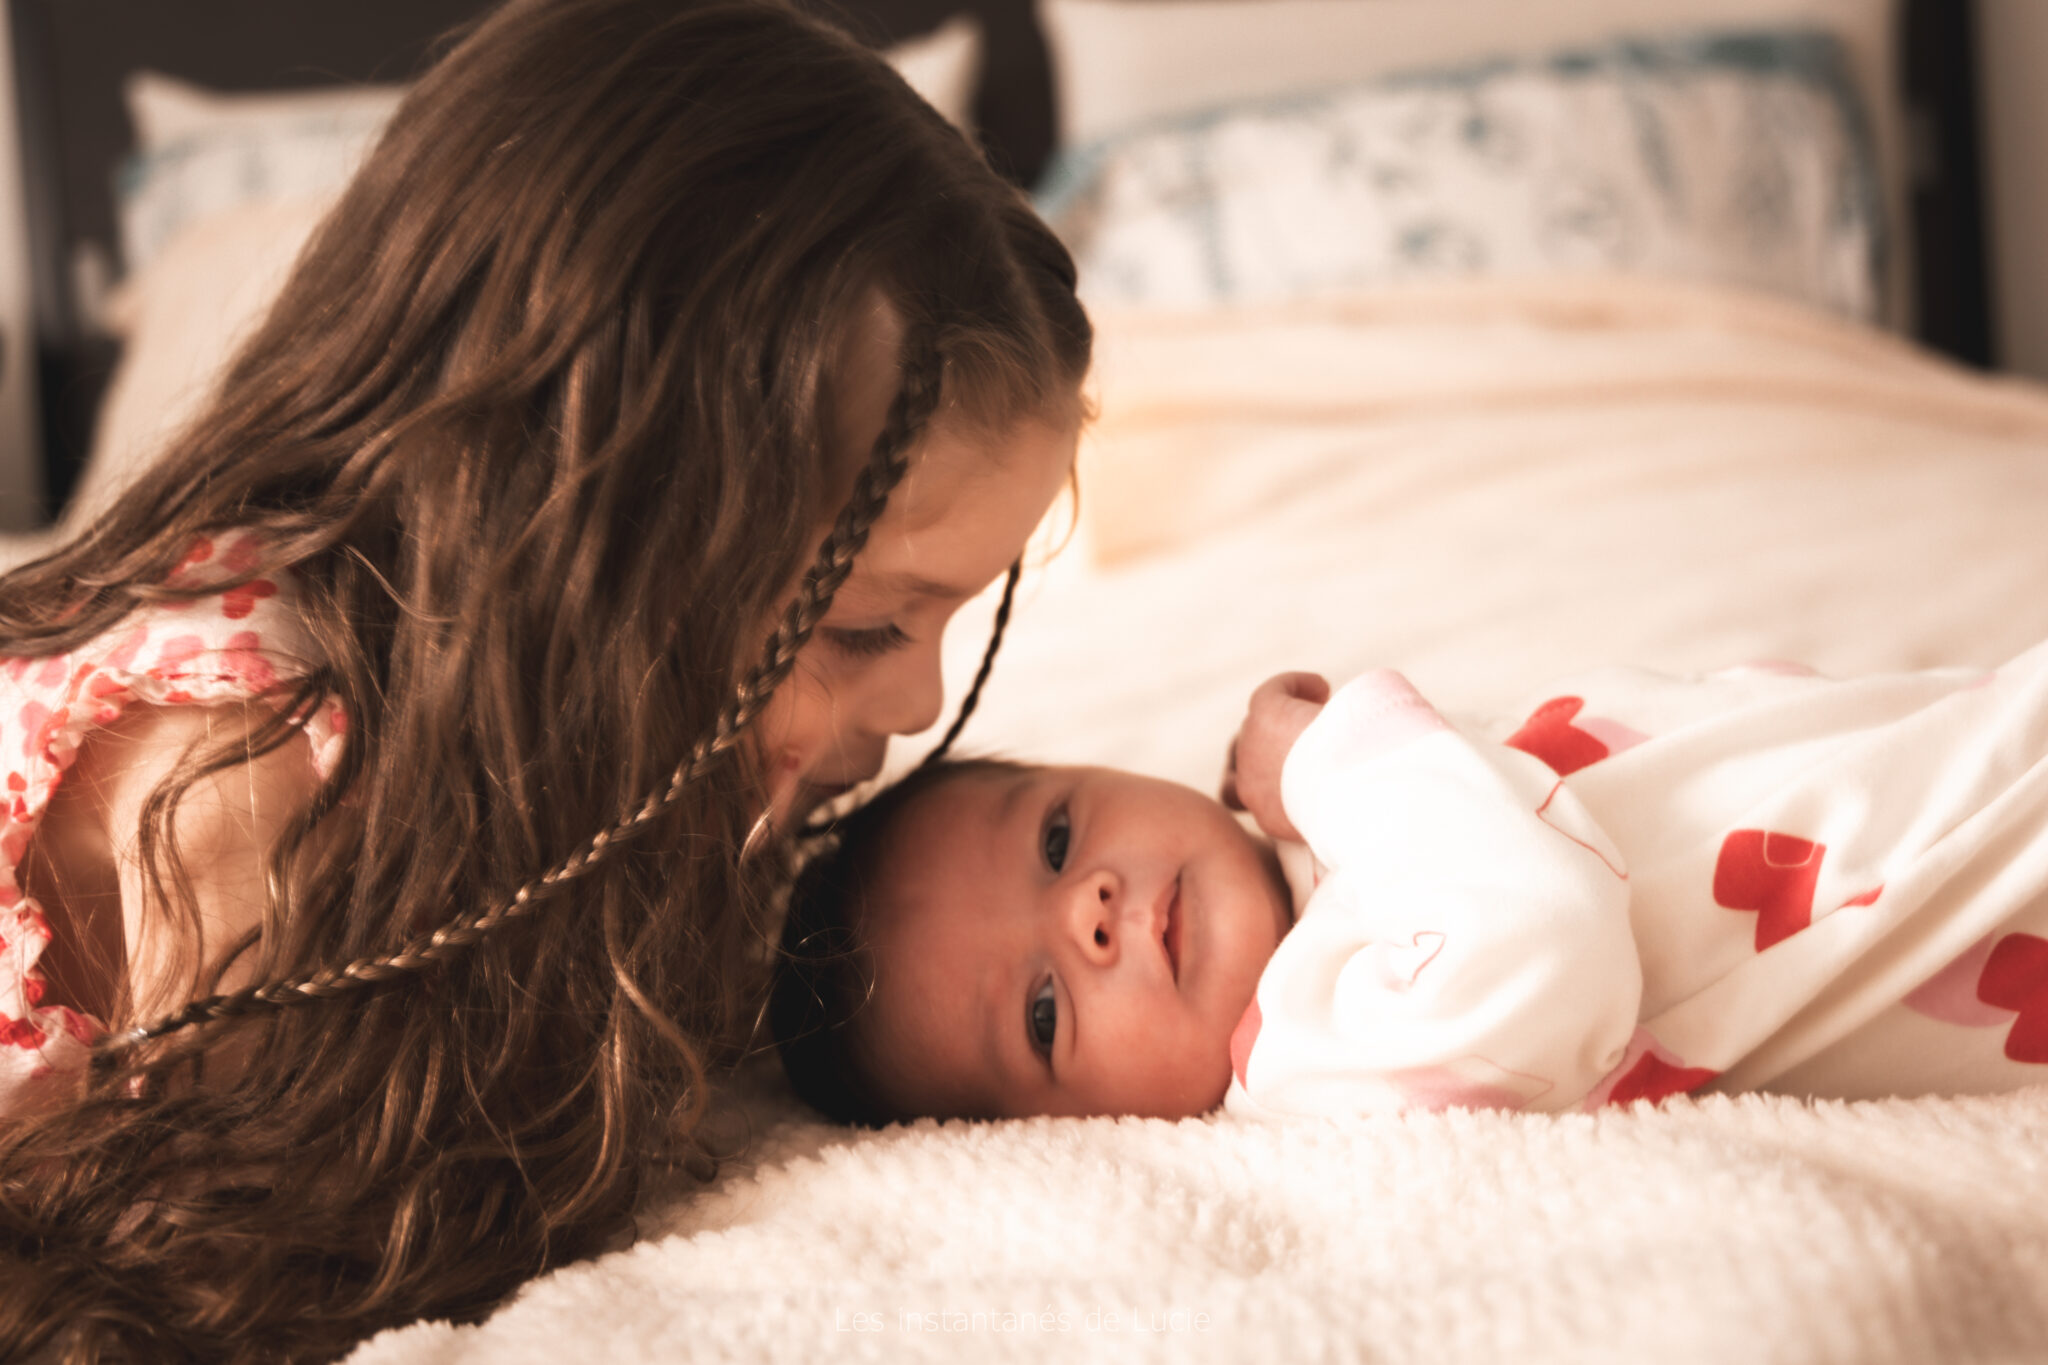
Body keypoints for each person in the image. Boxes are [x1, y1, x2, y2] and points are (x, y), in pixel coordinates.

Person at [0, 0, 1090, 1358]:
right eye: (864, 627)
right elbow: (204, 1271)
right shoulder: (241, 796)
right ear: (580, 545)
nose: (922, 704)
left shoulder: (559, 750)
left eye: (955, 620)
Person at [773, 645, 2048, 1125]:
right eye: (1044, 1013)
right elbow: (1547, 937)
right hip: (1984, 888)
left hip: (1949, 744)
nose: (1087, 910)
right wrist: (1329, 762)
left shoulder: (1318, 848)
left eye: (1054, 840)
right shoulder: (1313, 1052)